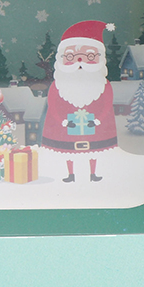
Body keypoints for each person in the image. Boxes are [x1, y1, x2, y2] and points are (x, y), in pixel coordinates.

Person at [41, 20, 117, 182]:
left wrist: (98, 120)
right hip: (66, 128)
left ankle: (93, 174)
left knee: (94, 151)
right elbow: (52, 105)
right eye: (71, 56)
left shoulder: (103, 84)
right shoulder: (58, 85)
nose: (80, 61)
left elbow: (107, 103)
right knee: (68, 152)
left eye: (90, 56)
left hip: (94, 126)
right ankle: (70, 174)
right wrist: (62, 121)